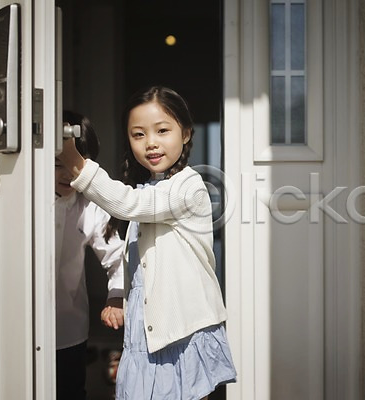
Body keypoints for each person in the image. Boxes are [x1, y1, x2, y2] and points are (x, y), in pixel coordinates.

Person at [59, 86, 236, 400]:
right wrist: (121, 296)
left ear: (185, 134)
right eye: (138, 134)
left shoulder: (188, 186)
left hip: (181, 330)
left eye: (162, 130)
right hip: (150, 330)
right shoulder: (152, 187)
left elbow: (130, 203)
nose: (151, 142)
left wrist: (76, 163)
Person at [55, 110, 124, 400]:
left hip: (68, 326)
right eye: (58, 164)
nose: (67, 175)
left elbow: (117, 255)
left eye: (75, 166)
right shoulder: (20, 198)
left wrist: (116, 296)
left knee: (70, 390)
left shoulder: (89, 205)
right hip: (15, 323)